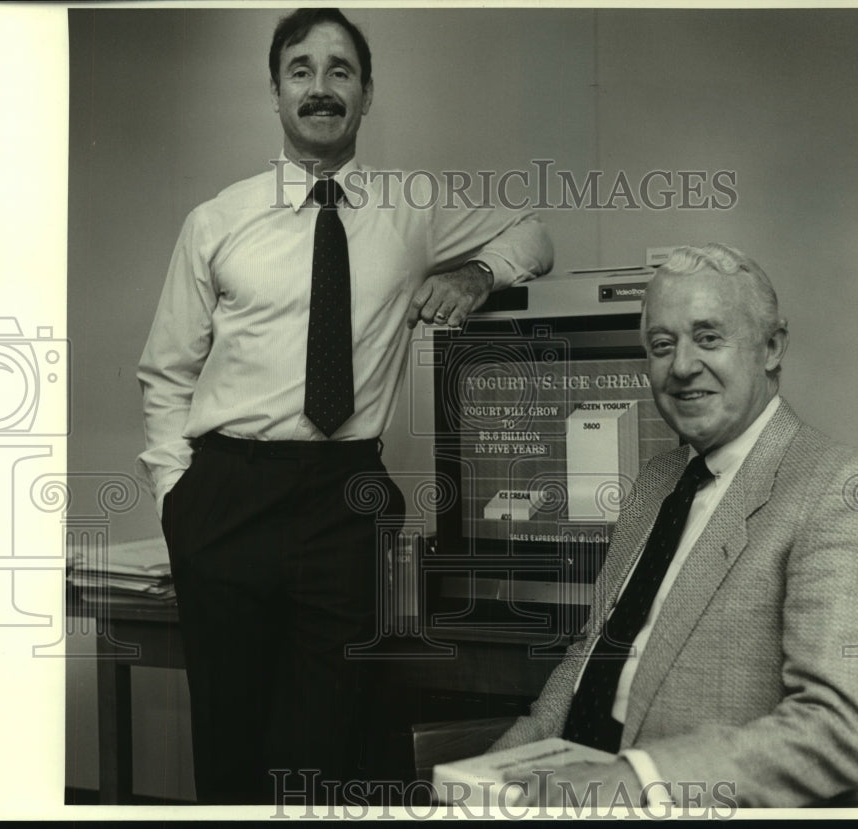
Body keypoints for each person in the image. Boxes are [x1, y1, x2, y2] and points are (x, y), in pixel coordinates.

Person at [136, 7, 552, 805]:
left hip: (346, 499)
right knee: (231, 738)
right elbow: (165, 373)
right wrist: (176, 499)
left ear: (367, 95)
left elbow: (532, 233)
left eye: (340, 71)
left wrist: (475, 276)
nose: (320, 88)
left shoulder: (412, 208)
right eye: (301, 70)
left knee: (337, 741)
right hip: (227, 496)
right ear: (275, 91)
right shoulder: (218, 220)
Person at [489, 243, 858, 809]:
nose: (682, 367)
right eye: (663, 346)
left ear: (772, 347)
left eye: (709, 338)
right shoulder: (656, 482)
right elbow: (596, 650)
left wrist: (640, 779)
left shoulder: (845, 490)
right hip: (575, 787)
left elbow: (835, 731)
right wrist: (498, 768)